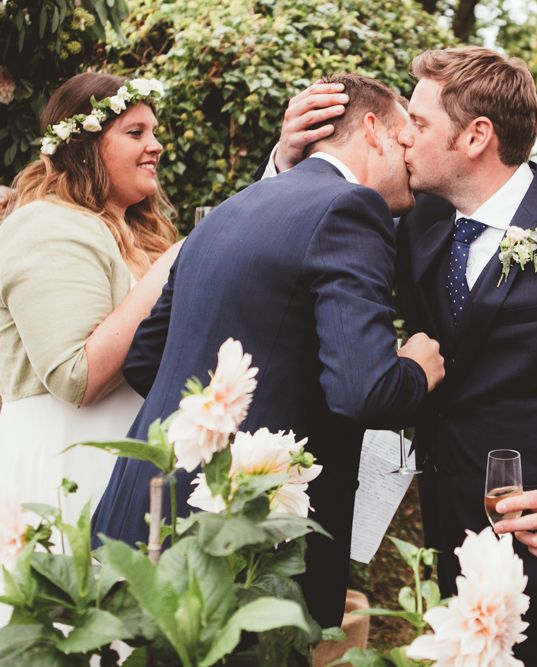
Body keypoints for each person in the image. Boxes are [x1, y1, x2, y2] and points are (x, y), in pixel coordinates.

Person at [269, 47, 537, 666]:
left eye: (419, 120)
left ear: (476, 136)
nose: (402, 135)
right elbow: (305, 231)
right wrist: (288, 163)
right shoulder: (418, 222)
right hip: (452, 555)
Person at [92, 73, 445, 629]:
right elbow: (364, 390)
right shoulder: (352, 208)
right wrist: (414, 371)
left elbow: (144, 360)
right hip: (240, 543)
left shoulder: (229, 211)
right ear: (373, 131)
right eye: (406, 139)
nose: (412, 160)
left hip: (144, 512)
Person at [0, 72, 183, 664]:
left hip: (127, 459)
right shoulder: (45, 226)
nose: (155, 145)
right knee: (75, 632)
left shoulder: (134, 229)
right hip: (68, 461)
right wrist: (172, 267)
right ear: (87, 145)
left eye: (155, 131)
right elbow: (77, 375)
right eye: (135, 130)